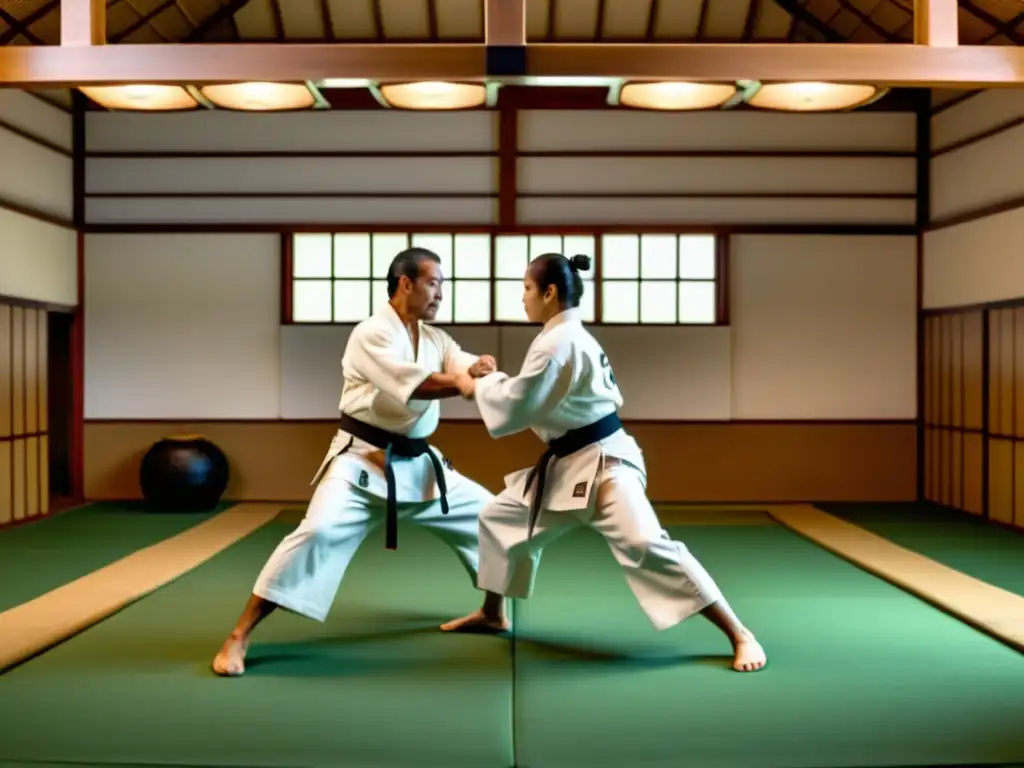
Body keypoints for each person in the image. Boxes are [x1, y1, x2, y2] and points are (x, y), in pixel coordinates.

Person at [440, 253, 767, 672]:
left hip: (605, 464)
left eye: (526, 288)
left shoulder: (560, 343)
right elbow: (529, 395)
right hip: (567, 464)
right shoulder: (560, 338)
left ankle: (740, 633)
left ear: (549, 292)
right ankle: (492, 613)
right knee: (498, 519)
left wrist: (482, 380)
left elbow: (518, 406)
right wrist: (488, 376)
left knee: (646, 544)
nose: (522, 298)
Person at [212, 247, 508, 677]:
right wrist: (460, 382)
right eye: (434, 282)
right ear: (406, 283)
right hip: (362, 463)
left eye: (442, 284)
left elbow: (454, 359)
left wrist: (475, 367)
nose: (440, 293)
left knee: (494, 518)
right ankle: (238, 636)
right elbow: (414, 383)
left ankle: (493, 612)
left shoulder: (433, 337)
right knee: (317, 532)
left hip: (422, 467)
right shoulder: (371, 333)